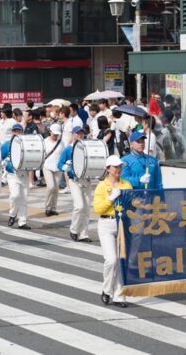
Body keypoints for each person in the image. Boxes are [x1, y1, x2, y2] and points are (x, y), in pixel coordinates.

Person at [93, 154, 132, 308]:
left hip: (123, 224)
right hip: (106, 223)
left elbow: (133, 204)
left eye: (120, 166)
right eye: (115, 167)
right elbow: (98, 208)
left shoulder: (126, 184)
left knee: (122, 261)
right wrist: (111, 198)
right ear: (108, 169)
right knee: (111, 260)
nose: (118, 169)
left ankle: (119, 295)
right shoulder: (102, 186)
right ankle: (107, 289)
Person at [58, 126, 92, 242]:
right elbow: (59, 164)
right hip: (74, 181)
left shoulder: (88, 148)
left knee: (87, 208)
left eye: (81, 133)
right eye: (77, 133)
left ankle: (84, 234)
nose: (80, 135)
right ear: (73, 135)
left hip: (86, 180)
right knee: (79, 206)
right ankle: (74, 229)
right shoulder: (68, 149)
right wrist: (66, 167)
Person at [1, 124, 31, 229]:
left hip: (24, 174)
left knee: (24, 198)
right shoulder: (6, 145)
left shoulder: (26, 144)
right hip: (12, 174)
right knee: (15, 195)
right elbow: (0, 157)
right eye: (15, 131)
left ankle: (22, 221)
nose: (17, 133)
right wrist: (5, 164)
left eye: (19, 131)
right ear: (12, 132)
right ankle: (12, 214)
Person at [42, 123, 63, 216]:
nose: (55, 136)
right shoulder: (44, 142)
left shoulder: (61, 143)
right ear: (50, 132)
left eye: (57, 134)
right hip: (47, 166)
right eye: (54, 134)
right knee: (51, 187)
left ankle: (53, 207)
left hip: (58, 168)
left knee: (56, 189)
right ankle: (47, 207)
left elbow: (63, 156)